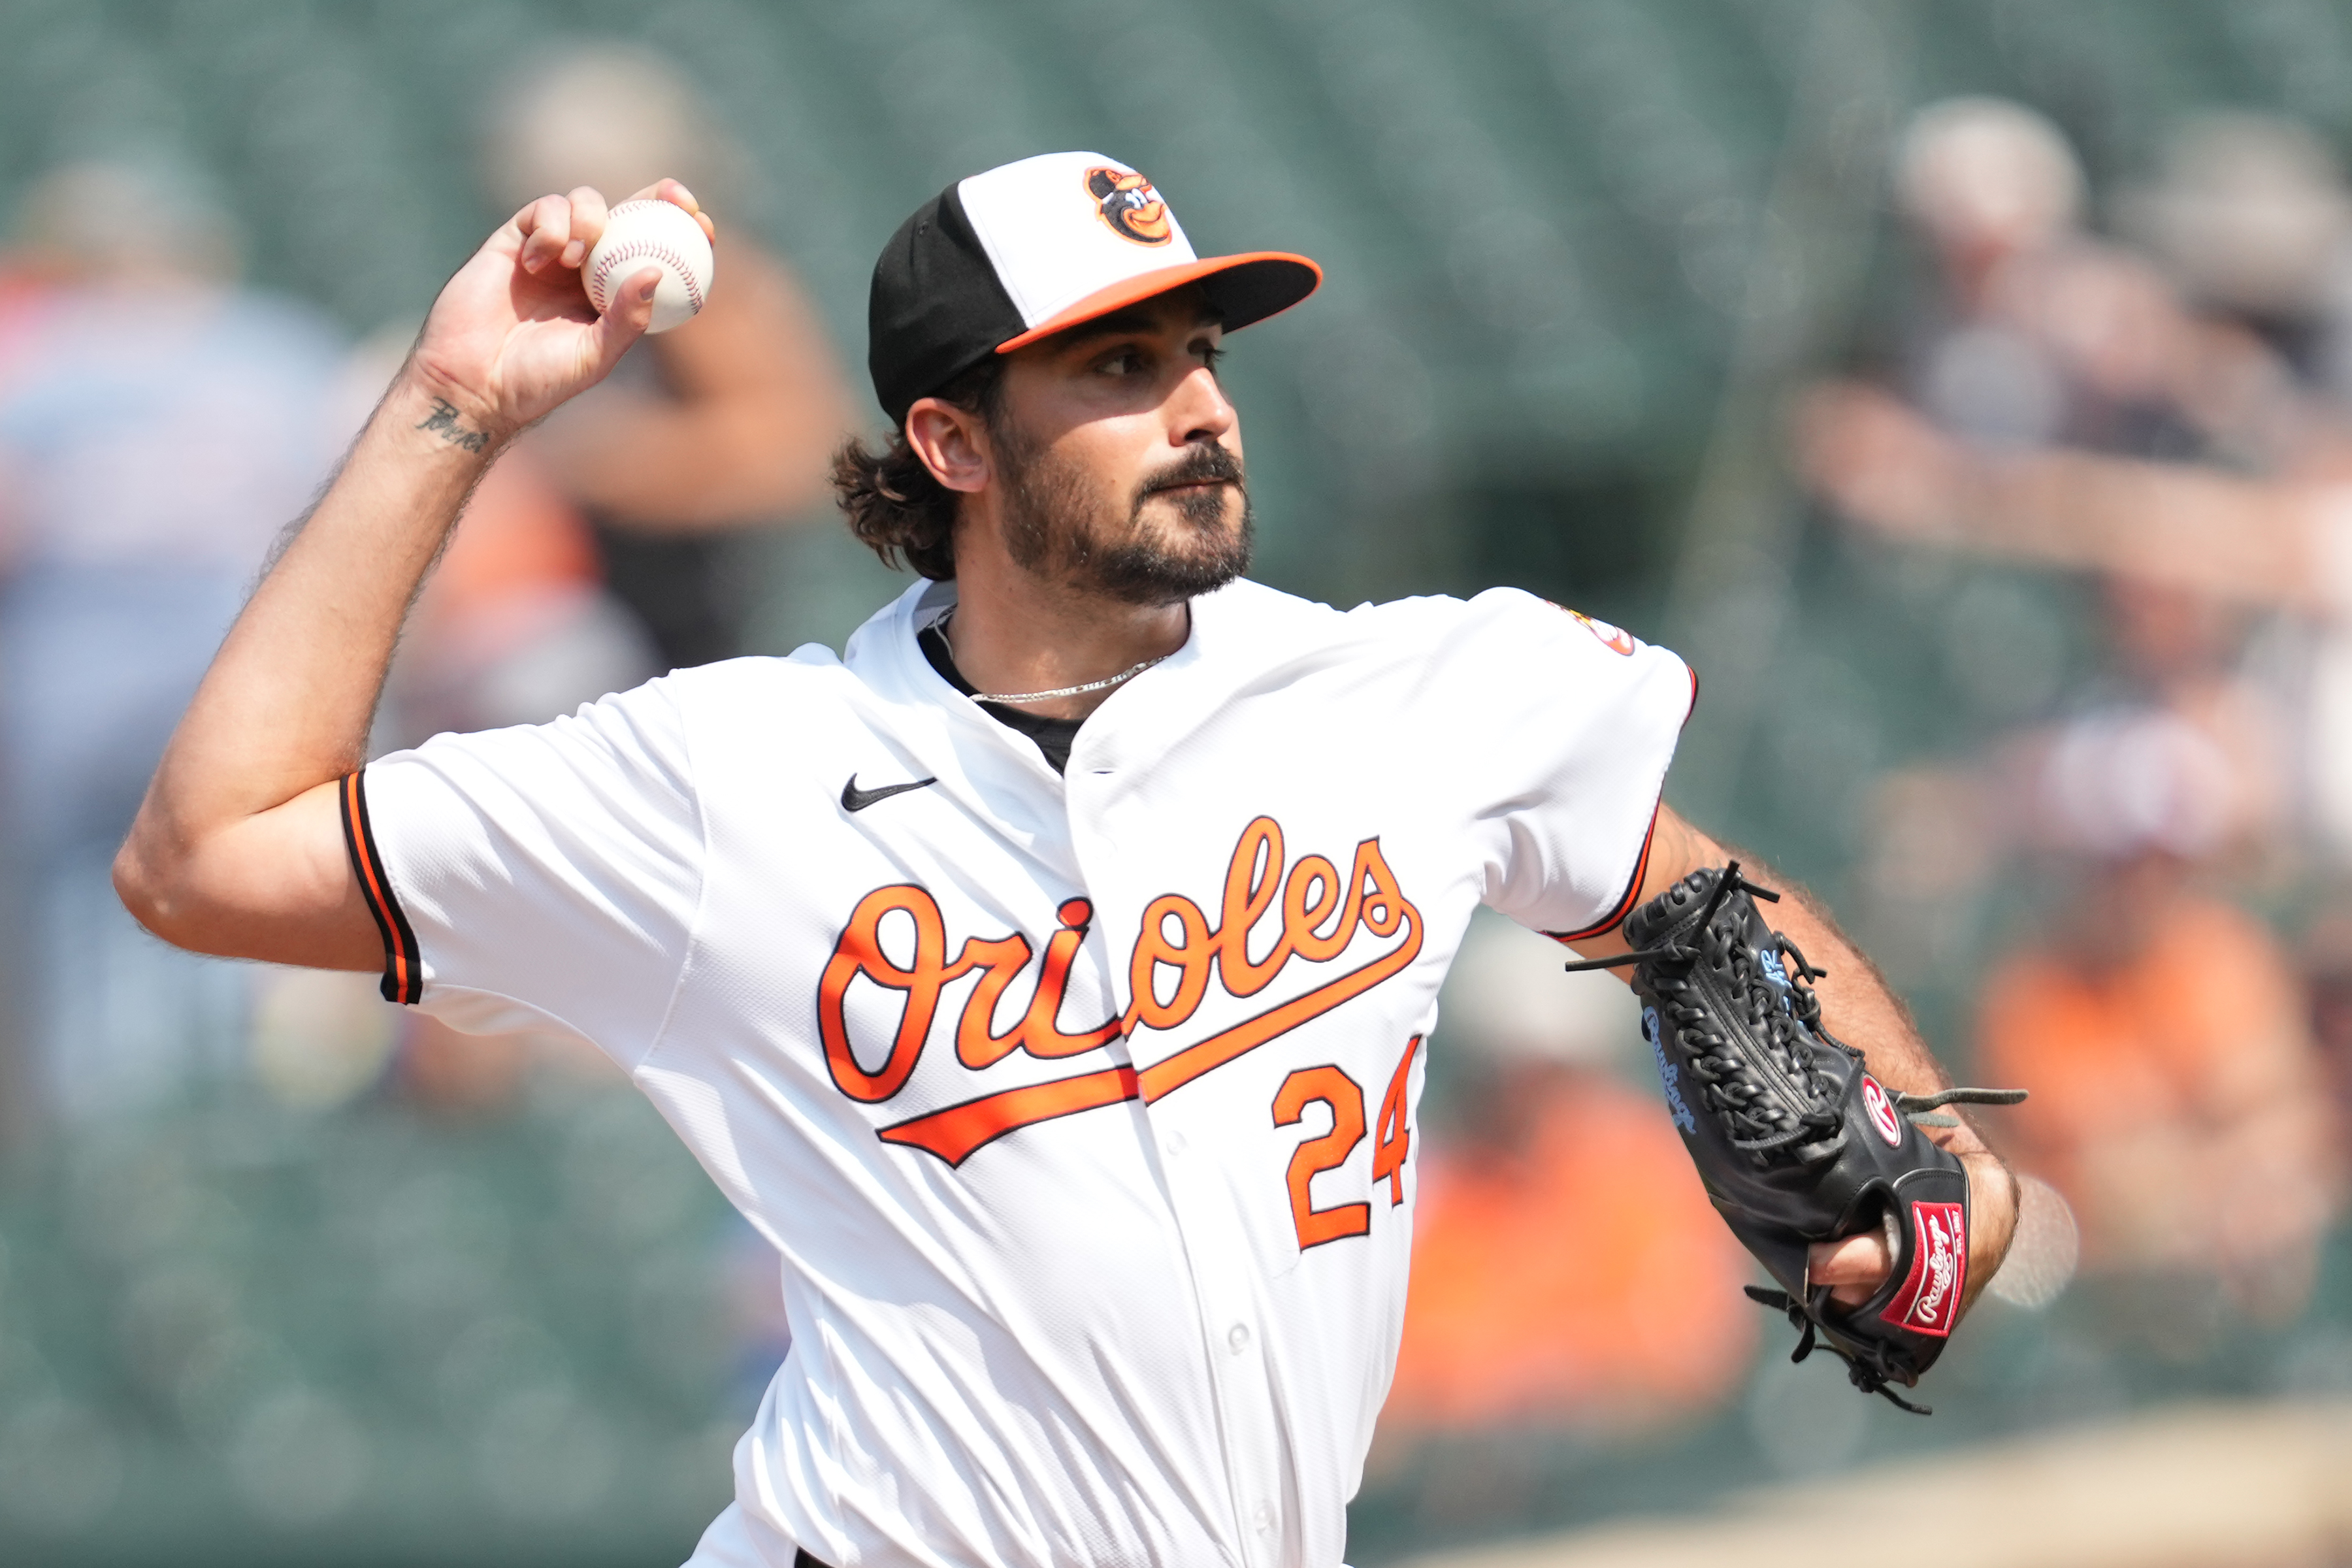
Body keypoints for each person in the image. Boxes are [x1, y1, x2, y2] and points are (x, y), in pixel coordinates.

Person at [113, 154, 2017, 1568]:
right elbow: (206, 856)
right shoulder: (732, 779)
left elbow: (1686, 891)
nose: (1198, 403)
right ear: (950, 437)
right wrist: (459, 415)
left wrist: (1941, 1158)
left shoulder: (1417, 694)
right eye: (1116, 368)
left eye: (1199, 350)